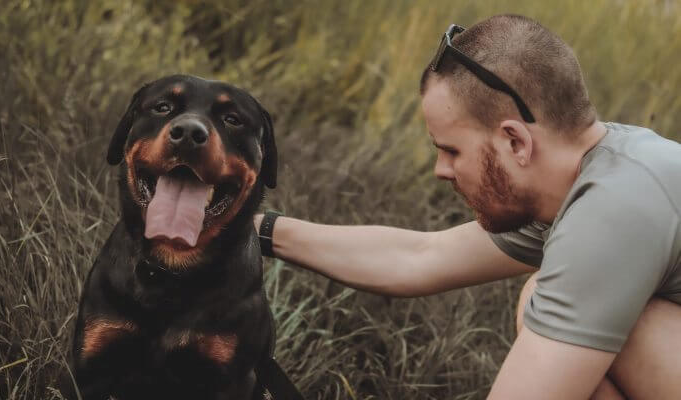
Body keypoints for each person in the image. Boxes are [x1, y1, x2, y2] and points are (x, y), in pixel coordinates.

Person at [255, 14, 681, 399]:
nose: (442, 169)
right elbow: (422, 256)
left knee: (604, 317)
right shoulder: (593, 173)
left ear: (515, 141)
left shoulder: (611, 215)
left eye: (452, 150)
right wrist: (259, 230)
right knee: (555, 301)